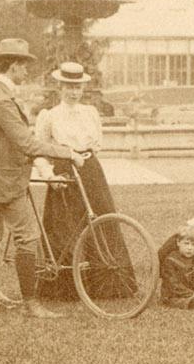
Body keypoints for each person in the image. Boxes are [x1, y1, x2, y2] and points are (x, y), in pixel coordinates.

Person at [0, 39, 77, 319]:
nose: (26, 73)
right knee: (27, 238)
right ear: (14, 66)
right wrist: (68, 153)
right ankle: (31, 304)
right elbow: (27, 143)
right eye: (25, 67)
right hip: (6, 180)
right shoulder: (1, 99)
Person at [30, 61, 136, 300]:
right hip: (64, 172)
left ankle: (108, 285)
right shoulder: (50, 116)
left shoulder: (90, 112)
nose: (73, 92)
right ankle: (66, 289)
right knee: (66, 227)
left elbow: (95, 145)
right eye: (68, 86)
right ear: (59, 86)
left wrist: (88, 163)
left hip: (90, 171)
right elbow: (38, 150)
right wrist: (49, 176)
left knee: (102, 219)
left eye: (77, 86)